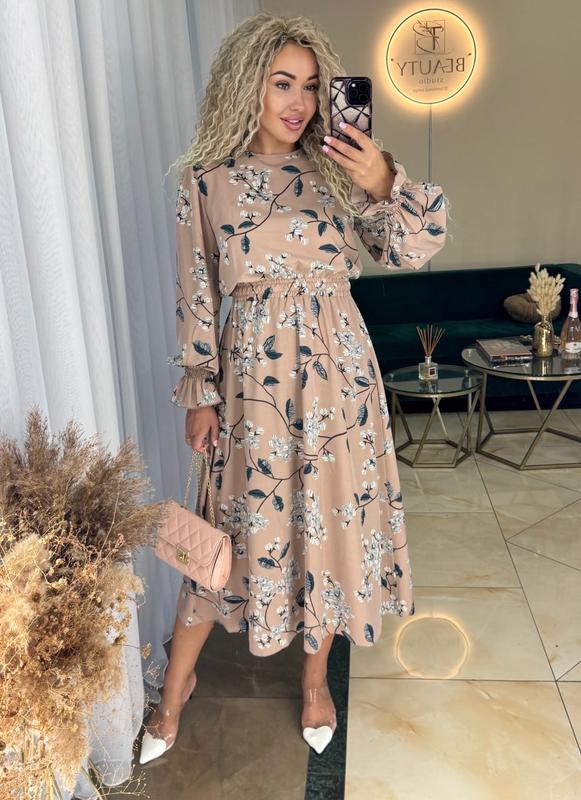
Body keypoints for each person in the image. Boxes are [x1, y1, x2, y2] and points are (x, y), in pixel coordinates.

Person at [140, 10, 447, 764]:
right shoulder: (205, 180)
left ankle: (314, 684)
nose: (300, 102)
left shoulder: (342, 170)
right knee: (223, 531)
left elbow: (413, 249)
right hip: (251, 386)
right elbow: (195, 291)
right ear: (247, 84)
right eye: (282, 83)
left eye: (311, 86)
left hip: (341, 382)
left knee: (329, 528)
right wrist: (199, 393)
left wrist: (383, 181)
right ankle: (173, 693)